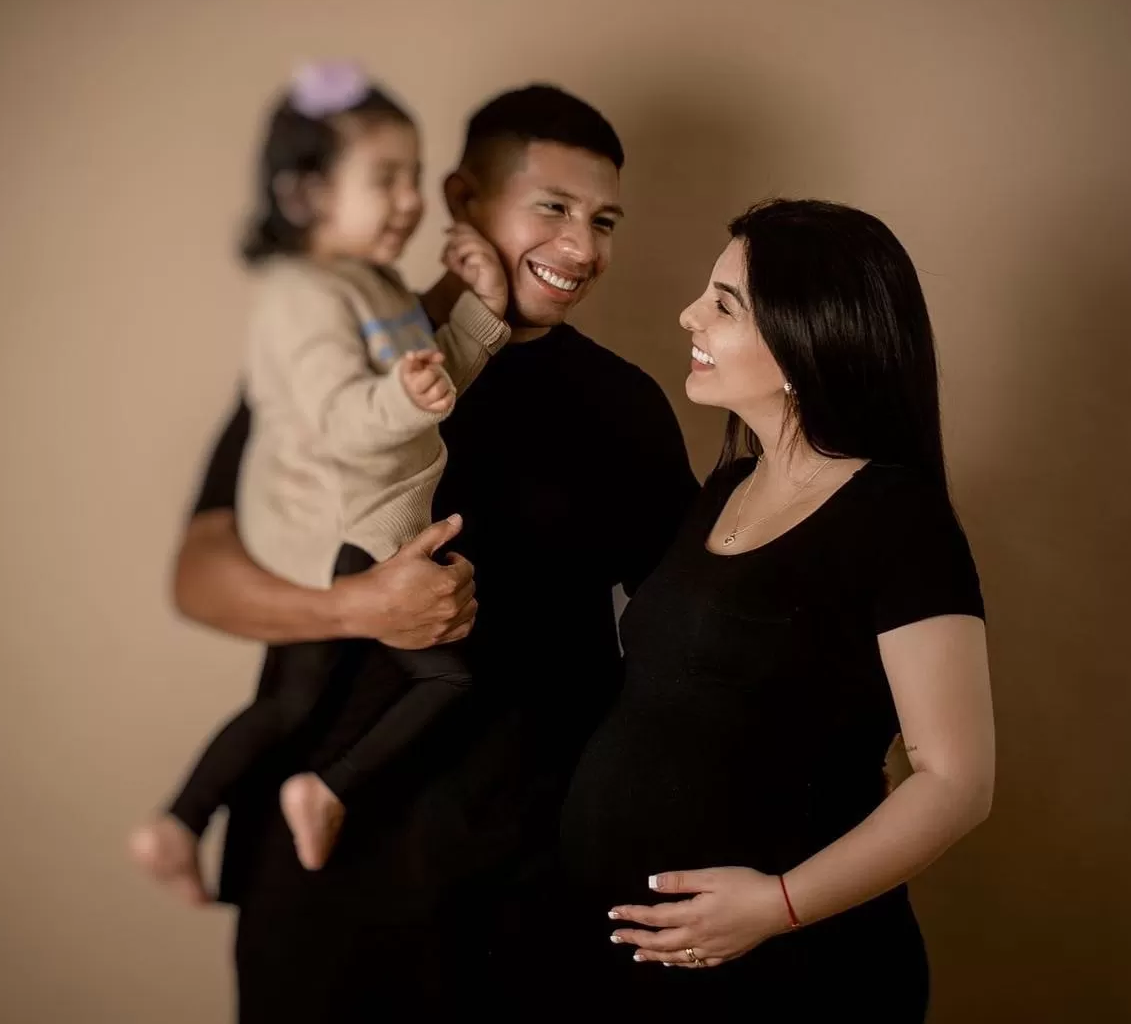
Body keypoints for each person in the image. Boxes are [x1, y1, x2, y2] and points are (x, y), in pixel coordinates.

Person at [172, 85, 699, 1020]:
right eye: (551, 206)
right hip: (321, 875)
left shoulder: (627, 408)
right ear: (459, 197)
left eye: (603, 218)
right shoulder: (336, 359)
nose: (581, 247)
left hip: (530, 882)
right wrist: (355, 609)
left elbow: (687, 645)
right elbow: (200, 575)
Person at [556, 199, 996, 1021]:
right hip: (636, 967)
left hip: (793, 973)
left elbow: (955, 781)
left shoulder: (896, 520)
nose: (688, 314)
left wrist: (776, 904)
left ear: (805, 341)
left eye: (723, 304)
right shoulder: (726, 486)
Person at [130, 61, 512, 890]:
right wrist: (408, 392)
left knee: (291, 703)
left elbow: (425, 380)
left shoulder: (368, 282)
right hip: (345, 523)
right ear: (305, 195)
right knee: (447, 676)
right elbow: (346, 417)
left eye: (414, 175)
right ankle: (324, 789)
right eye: (386, 178)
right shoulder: (300, 296)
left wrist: (477, 312)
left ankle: (179, 819)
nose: (410, 199)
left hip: (359, 516)